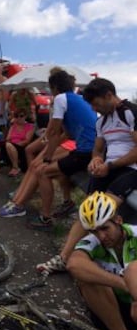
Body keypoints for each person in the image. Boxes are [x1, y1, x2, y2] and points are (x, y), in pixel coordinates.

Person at [37, 77, 137, 274]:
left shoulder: (130, 113)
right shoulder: (102, 121)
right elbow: (98, 149)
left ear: (109, 95)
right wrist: (96, 160)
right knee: (87, 209)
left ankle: (117, 262)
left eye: (96, 104)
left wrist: (111, 164)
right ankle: (65, 257)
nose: (94, 109)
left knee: (101, 210)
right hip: (109, 167)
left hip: (131, 169)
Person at [67, 191, 137, 330]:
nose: (101, 237)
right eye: (94, 231)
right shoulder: (93, 242)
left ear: (118, 221)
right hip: (116, 309)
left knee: (133, 269)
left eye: (105, 228)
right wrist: (124, 284)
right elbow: (74, 264)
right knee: (87, 280)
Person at [27, 70, 97, 230]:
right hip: (95, 149)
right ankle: (67, 203)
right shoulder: (78, 99)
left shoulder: (60, 98)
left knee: (43, 172)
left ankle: (45, 218)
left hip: (86, 152)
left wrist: (46, 158)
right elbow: (69, 133)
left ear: (55, 87)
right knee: (60, 170)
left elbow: (53, 133)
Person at [2, 109, 35, 176]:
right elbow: (8, 138)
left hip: (22, 146)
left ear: (25, 116)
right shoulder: (13, 126)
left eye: (21, 116)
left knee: (8, 145)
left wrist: (15, 145)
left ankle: (15, 167)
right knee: (3, 144)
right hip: (11, 145)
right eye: (16, 116)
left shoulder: (30, 126)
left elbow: (27, 140)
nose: (19, 118)